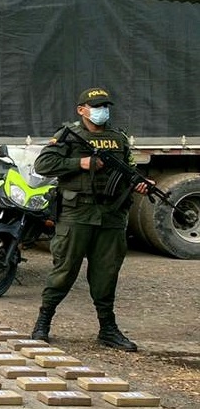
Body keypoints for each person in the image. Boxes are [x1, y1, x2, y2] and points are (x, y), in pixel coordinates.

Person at [30, 87, 149, 351]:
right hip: (77, 214)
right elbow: (43, 166)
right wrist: (79, 163)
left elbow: (129, 169)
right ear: (81, 110)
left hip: (111, 216)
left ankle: (108, 329)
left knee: (106, 274)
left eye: (105, 106)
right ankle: (43, 323)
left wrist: (139, 183)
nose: (102, 111)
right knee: (64, 270)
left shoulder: (118, 139)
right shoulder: (68, 137)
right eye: (96, 106)